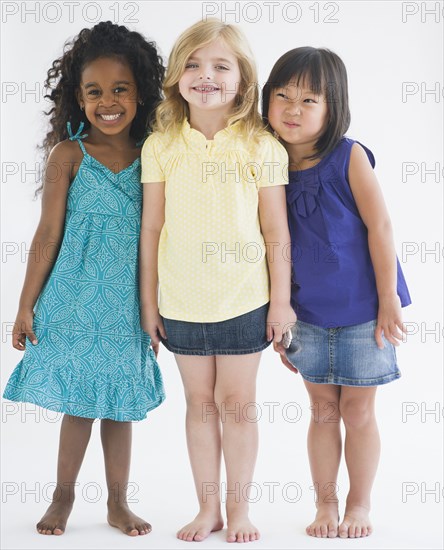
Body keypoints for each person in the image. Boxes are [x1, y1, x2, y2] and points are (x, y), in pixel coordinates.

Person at [3, 21, 166, 536]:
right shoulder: (67, 156)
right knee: (78, 406)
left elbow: (161, 237)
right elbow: (47, 233)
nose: (108, 101)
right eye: (95, 91)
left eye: (121, 89)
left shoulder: (153, 155)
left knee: (119, 408)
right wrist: (25, 304)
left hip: (125, 304)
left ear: (140, 93)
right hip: (72, 300)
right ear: (78, 96)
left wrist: (154, 307)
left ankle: (118, 503)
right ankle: (63, 496)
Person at [140, 19, 295, 544]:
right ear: (176, 77)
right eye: (192, 64)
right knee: (199, 406)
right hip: (181, 300)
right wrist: (149, 302)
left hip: (244, 299)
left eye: (220, 65)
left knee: (237, 405)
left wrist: (281, 304)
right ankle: (207, 508)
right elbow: (152, 226)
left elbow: (276, 229)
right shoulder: (161, 145)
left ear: (242, 78)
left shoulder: (261, 146)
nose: (205, 75)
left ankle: (241, 510)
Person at [263, 47, 411, 539]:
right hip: (305, 311)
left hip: (363, 310)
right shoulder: (267, 162)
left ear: (333, 107)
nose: (293, 109)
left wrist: (388, 297)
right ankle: (325, 504)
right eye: (282, 96)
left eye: (309, 100)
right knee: (322, 411)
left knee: (358, 411)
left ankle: (360, 504)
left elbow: (380, 225)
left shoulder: (349, 156)